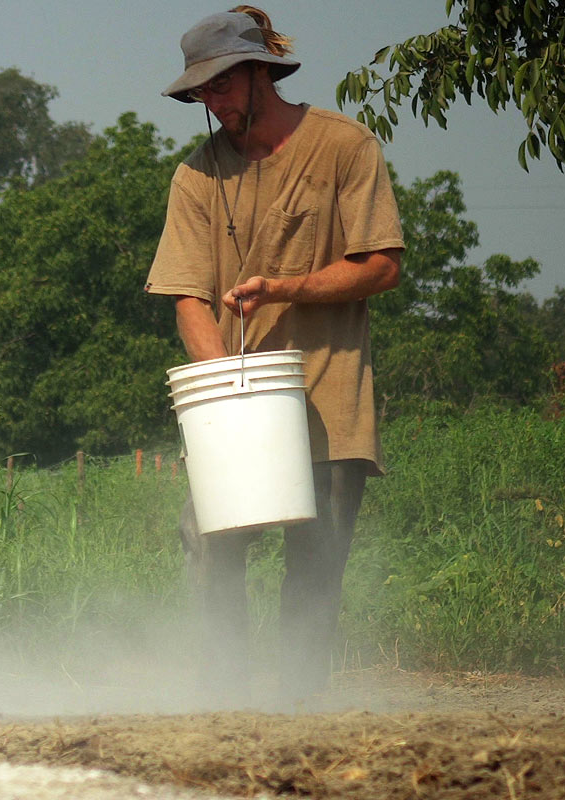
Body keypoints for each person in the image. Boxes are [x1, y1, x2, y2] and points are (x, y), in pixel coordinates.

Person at [144, 6, 404, 705]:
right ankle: (223, 701)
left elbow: (381, 266)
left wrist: (286, 289)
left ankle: (299, 715)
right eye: (202, 92)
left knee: (313, 573)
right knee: (207, 538)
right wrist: (227, 390)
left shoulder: (345, 147)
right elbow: (187, 298)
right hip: (242, 406)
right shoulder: (195, 177)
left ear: (261, 72)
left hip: (331, 399)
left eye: (222, 85)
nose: (213, 102)